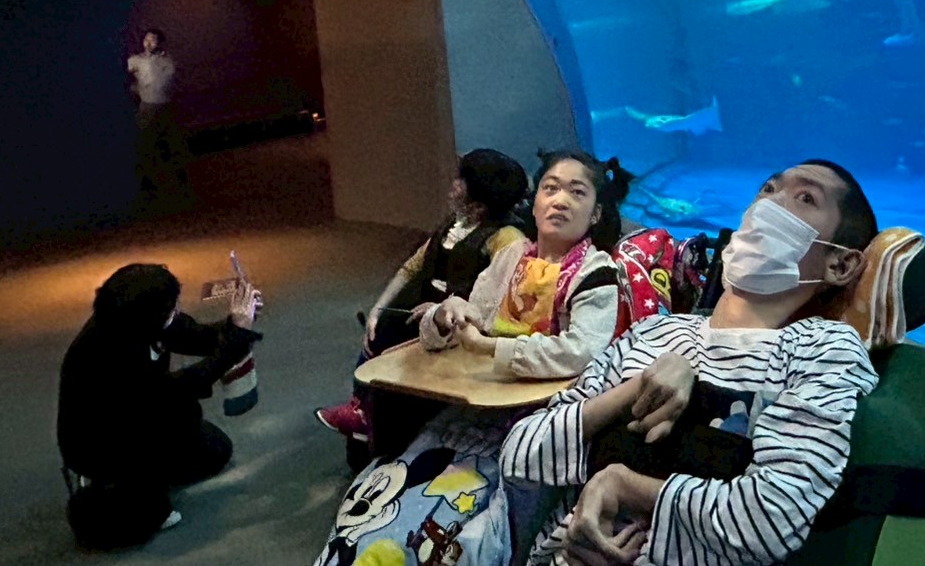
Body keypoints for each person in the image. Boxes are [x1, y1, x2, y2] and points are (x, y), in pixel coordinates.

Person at [500, 159, 879, 566]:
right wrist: (637, 386)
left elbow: (771, 517)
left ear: (840, 264)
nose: (769, 205)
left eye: (805, 198)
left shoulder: (820, 349)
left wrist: (622, 484)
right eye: (768, 189)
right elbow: (519, 453)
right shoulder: (656, 332)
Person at [313, 150, 634, 566]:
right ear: (535, 202)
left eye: (576, 192)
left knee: (449, 525)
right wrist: (443, 317)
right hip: (475, 406)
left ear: (595, 214)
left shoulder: (596, 272)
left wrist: (489, 348)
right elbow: (466, 321)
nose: (559, 200)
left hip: (536, 424)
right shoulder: (510, 259)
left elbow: (579, 351)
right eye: (550, 188)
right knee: (380, 497)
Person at [315, 149, 531, 441]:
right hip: (424, 311)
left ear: (479, 201)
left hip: (458, 324)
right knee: (382, 329)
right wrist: (379, 308)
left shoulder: (506, 239)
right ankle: (364, 407)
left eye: (461, 179)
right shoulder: (454, 225)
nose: (453, 184)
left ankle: (371, 413)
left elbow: (494, 299)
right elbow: (413, 265)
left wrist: (441, 309)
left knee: (394, 341)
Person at [57, 262, 263, 549]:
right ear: (149, 316)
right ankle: (107, 488)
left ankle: (145, 479)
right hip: (103, 443)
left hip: (144, 416)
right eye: (170, 307)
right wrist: (236, 339)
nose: (177, 309)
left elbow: (198, 337)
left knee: (215, 450)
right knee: (145, 515)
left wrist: (238, 323)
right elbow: (178, 388)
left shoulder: (140, 321)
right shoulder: (107, 353)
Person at [126, 29, 187, 201]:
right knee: (146, 145)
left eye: (153, 40)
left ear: (160, 42)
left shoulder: (168, 60)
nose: (148, 43)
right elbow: (127, 80)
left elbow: (175, 80)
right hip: (147, 107)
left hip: (167, 107)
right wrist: (135, 90)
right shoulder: (135, 60)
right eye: (146, 39)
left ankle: (179, 179)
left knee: (172, 143)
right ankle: (146, 182)